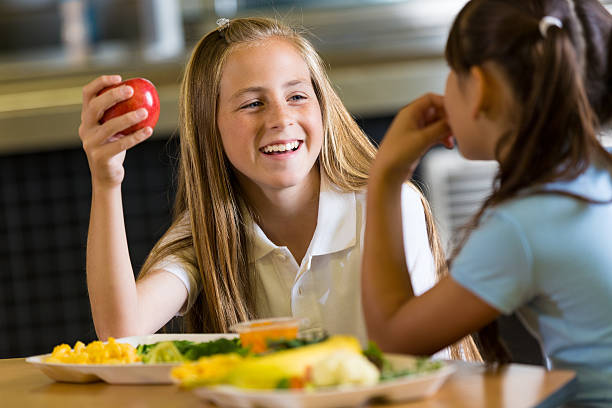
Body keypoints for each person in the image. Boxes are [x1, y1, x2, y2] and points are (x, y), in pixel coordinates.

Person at [78, 17, 477, 358]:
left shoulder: (388, 206)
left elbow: (422, 365)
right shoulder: (209, 236)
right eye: (252, 104)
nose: (280, 118)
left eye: (297, 96)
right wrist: (106, 179)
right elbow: (121, 334)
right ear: (208, 128)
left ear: (322, 106)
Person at [362, 0, 612, 405]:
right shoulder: (597, 178)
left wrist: (385, 178)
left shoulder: (526, 223)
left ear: (479, 87)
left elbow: (394, 340)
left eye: (453, 73)